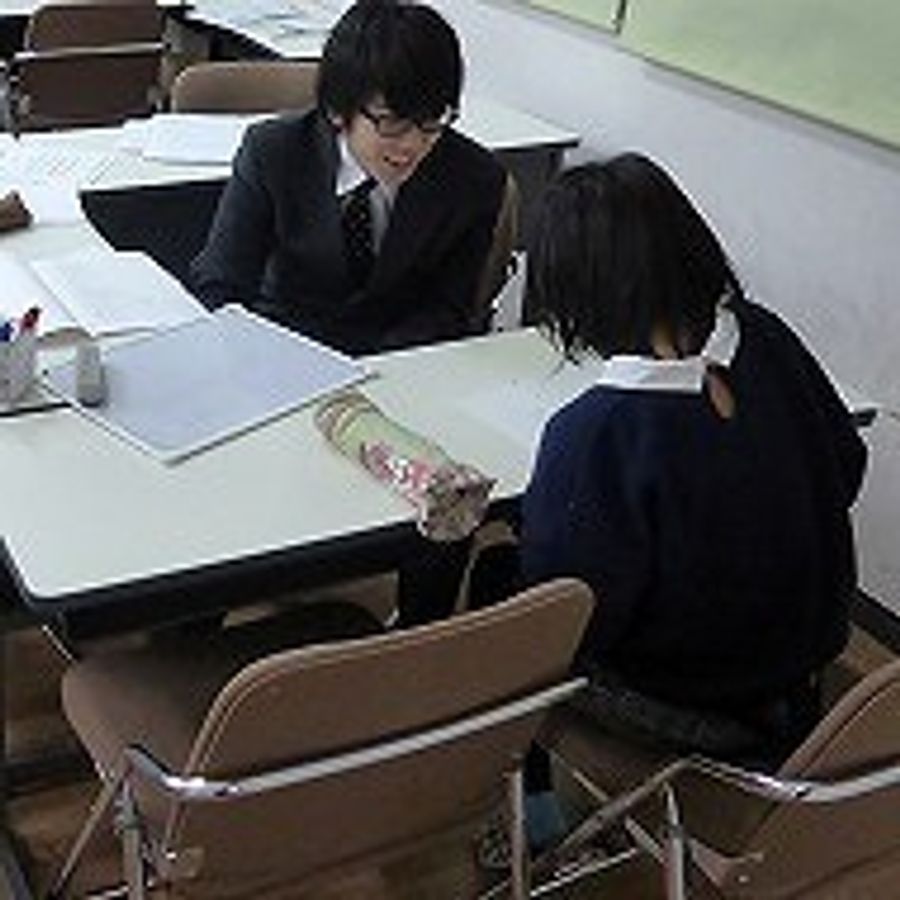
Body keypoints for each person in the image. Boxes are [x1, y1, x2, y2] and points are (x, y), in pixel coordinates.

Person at [473, 153, 867, 770]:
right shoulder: (766, 336)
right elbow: (848, 464)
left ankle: (533, 804)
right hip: (806, 670)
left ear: (576, 294)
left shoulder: (598, 432)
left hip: (695, 707)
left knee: (499, 586)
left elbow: (569, 614)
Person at [191, 0, 506, 356]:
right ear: (338, 110)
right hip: (282, 350)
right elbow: (221, 283)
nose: (413, 144)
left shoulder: (474, 177)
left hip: (399, 365)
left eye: (431, 121)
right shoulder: (274, 152)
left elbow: (448, 310)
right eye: (392, 123)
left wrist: (377, 368)